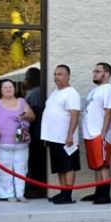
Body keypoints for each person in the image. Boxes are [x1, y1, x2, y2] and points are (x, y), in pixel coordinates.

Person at [0, 78, 34, 203]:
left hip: (20, 142)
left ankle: (20, 193)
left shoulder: (22, 101)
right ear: (0, 90)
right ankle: (7, 194)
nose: (8, 89)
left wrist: (24, 115)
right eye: (5, 87)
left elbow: (32, 117)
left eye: (10, 87)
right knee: (3, 169)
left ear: (14, 89)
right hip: (1, 142)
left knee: (21, 168)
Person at [42, 64, 82, 204]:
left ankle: (68, 195)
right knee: (60, 167)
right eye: (55, 74)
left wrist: (70, 135)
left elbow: (75, 115)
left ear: (68, 76)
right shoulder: (55, 92)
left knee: (68, 166)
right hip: (54, 137)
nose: (56, 77)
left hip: (66, 138)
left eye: (60, 74)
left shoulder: (72, 93)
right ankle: (62, 192)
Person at [80, 62, 111, 205]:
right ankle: (98, 192)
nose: (94, 73)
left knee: (103, 164)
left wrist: (103, 133)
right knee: (96, 165)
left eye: (98, 71)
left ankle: (105, 195)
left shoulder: (107, 89)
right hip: (90, 133)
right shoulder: (95, 90)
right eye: (94, 71)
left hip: (100, 134)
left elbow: (109, 110)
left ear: (106, 74)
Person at [24, 66, 47, 195]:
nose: (25, 81)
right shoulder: (34, 92)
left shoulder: (35, 93)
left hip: (36, 132)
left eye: (27, 78)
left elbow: (34, 114)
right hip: (36, 132)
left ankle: (35, 186)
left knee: (35, 161)